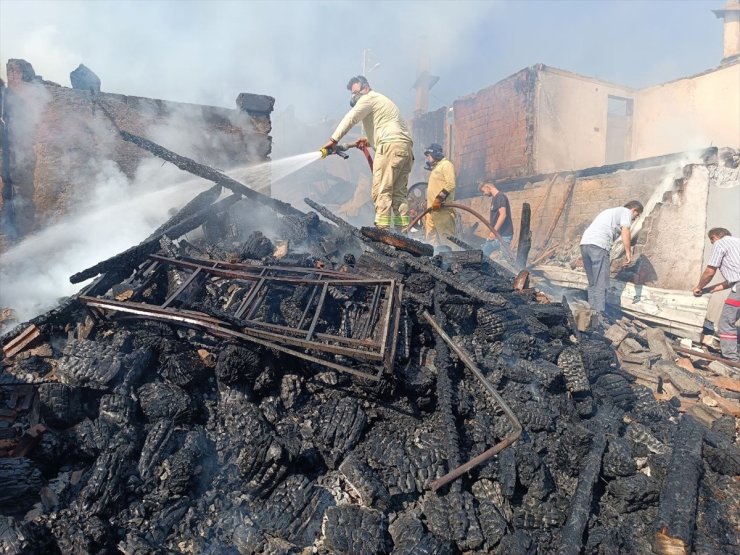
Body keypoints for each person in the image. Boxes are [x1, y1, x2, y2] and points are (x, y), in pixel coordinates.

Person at [321, 75, 414, 230]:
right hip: (404, 149)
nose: (354, 96)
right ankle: (403, 235)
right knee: (399, 195)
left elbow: (351, 117)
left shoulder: (368, 98)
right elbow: (392, 134)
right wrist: (362, 142)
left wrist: (333, 140)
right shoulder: (383, 102)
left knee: (382, 190)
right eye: (352, 93)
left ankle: (383, 233)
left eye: (356, 91)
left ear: (366, 87)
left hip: (389, 147)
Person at [579, 200, 644, 313]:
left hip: (585, 244)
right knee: (601, 282)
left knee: (593, 282)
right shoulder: (625, 212)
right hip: (599, 246)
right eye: (636, 216)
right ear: (633, 210)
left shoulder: (610, 212)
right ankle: (598, 314)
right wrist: (628, 253)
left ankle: (590, 313)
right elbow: (626, 230)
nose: (634, 219)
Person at [692, 227, 740, 361]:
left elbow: (710, 271)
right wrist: (707, 290)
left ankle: (731, 359)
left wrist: (699, 286)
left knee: (726, 322)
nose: (712, 243)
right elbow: (731, 282)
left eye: (711, 240)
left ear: (716, 236)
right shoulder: (737, 243)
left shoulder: (720, 243)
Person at [423, 143, 456, 248]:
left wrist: (439, 199)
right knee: (430, 240)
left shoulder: (446, 165)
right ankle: (432, 261)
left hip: (442, 210)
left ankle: (453, 260)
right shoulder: (436, 168)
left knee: (447, 239)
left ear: (436, 154)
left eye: (429, 155)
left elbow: (451, 184)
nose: (427, 158)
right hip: (431, 211)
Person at [479, 181, 513, 257]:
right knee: (484, 254)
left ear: (487, 188)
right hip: (497, 235)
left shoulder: (500, 197)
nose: (483, 194)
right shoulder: (495, 198)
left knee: (506, 259)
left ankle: (518, 268)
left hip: (504, 235)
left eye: (483, 191)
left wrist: (494, 231)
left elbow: (503, 215)